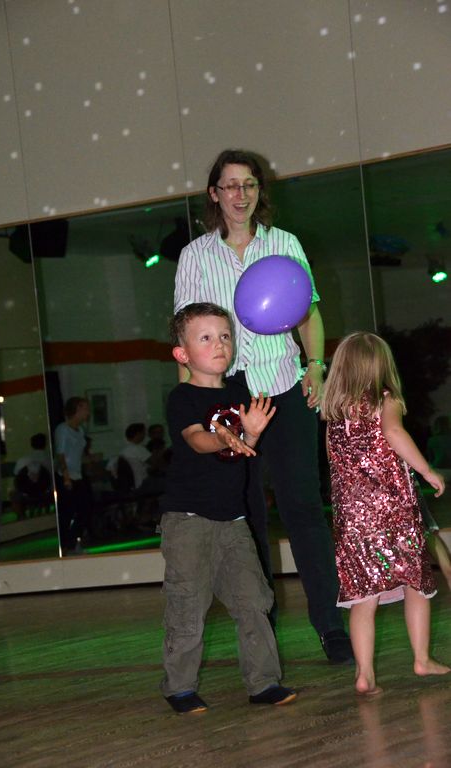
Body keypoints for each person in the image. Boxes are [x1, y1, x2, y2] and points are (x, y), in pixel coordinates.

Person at [174, 148, 352, 663]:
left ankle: (331, 627)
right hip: (227, 397)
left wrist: (316, 365)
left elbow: (307, 312)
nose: (240, 194)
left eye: (249, 184)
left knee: (303, 510)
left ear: (259, 191)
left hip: (284, 390)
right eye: (230, 185)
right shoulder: (195, 256)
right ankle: (261, 635)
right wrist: (192, 406)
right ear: (214, 194)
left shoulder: (285, 243)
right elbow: (186, 335)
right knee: (246, 519)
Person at [160, 302, 296, 714]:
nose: (219, 344)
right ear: (182, 353)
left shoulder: (239, 394)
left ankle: (263, 682)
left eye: (224, 336)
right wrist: (222, 436)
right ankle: (179, 687)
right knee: (188, 603)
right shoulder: (182, 397)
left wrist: (249, 435)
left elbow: (243, 450)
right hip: (188, 520)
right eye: (205, 338)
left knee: (253, 599)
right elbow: (197, 440)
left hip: (234, 519)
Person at [321, 331, 450, 695]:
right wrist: (426, 470)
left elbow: (333, 460)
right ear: (381, 366)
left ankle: (364, 674)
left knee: (363, 598)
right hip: (392, 511)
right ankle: (421, 659)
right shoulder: (386, 399)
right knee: (416, 584)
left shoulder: (334, 414)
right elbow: (393, 432)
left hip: (351, 516)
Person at [54, 397, 91, 553]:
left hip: (78, 474)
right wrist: (66, 477)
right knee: (68, 512)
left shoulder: (80, 430)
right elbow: (61, 455)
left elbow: (78, 453)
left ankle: (72, 542)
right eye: (85, 408)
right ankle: (67, 545)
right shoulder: (63, 429)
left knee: (85, 509)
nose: (88, 412)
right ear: (77, 409)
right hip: (66, 476)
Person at [11, 433, 52, 518]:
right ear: (45, 444)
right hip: (46, 493)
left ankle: (22, 518)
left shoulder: (23, 460)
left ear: (31, 444)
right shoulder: (50, 460)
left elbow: (16, 476)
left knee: (13, 494)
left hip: (26, 493)